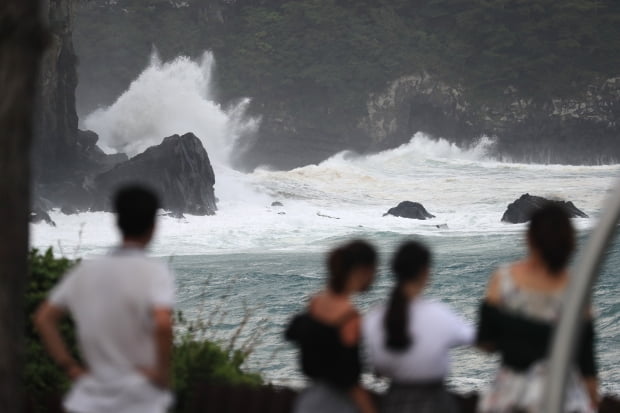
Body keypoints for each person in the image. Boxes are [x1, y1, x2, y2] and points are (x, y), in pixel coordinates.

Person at [34, 185, 175, 413]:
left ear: (116, 222)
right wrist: (161, 373)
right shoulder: (154, 272)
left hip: (87, 401)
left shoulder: (85, 272)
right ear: (153, 227)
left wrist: (71, 368)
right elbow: (162, 324)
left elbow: (44, 319)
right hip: (138, 401)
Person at [477, 204, 598, 413]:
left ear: (529, 238)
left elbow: (486, 343)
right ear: (569, 242)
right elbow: (586, 364)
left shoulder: (504, 279)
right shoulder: (577, 289)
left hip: (513, 395)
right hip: (563, 397)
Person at [363, 241, 474, 413]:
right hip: (435, 404)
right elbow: (478, 339)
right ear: (425, 272)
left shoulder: (373, 317)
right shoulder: (439, 314)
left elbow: (379, 368)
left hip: (393, 403)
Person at [285, 240, 378, 413]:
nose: (375, 276)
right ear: (362, 271)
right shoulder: (350, 318)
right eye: (374, 270)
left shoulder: (315, 303)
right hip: (336, 405)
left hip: (307, 402)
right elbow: (349, 381)